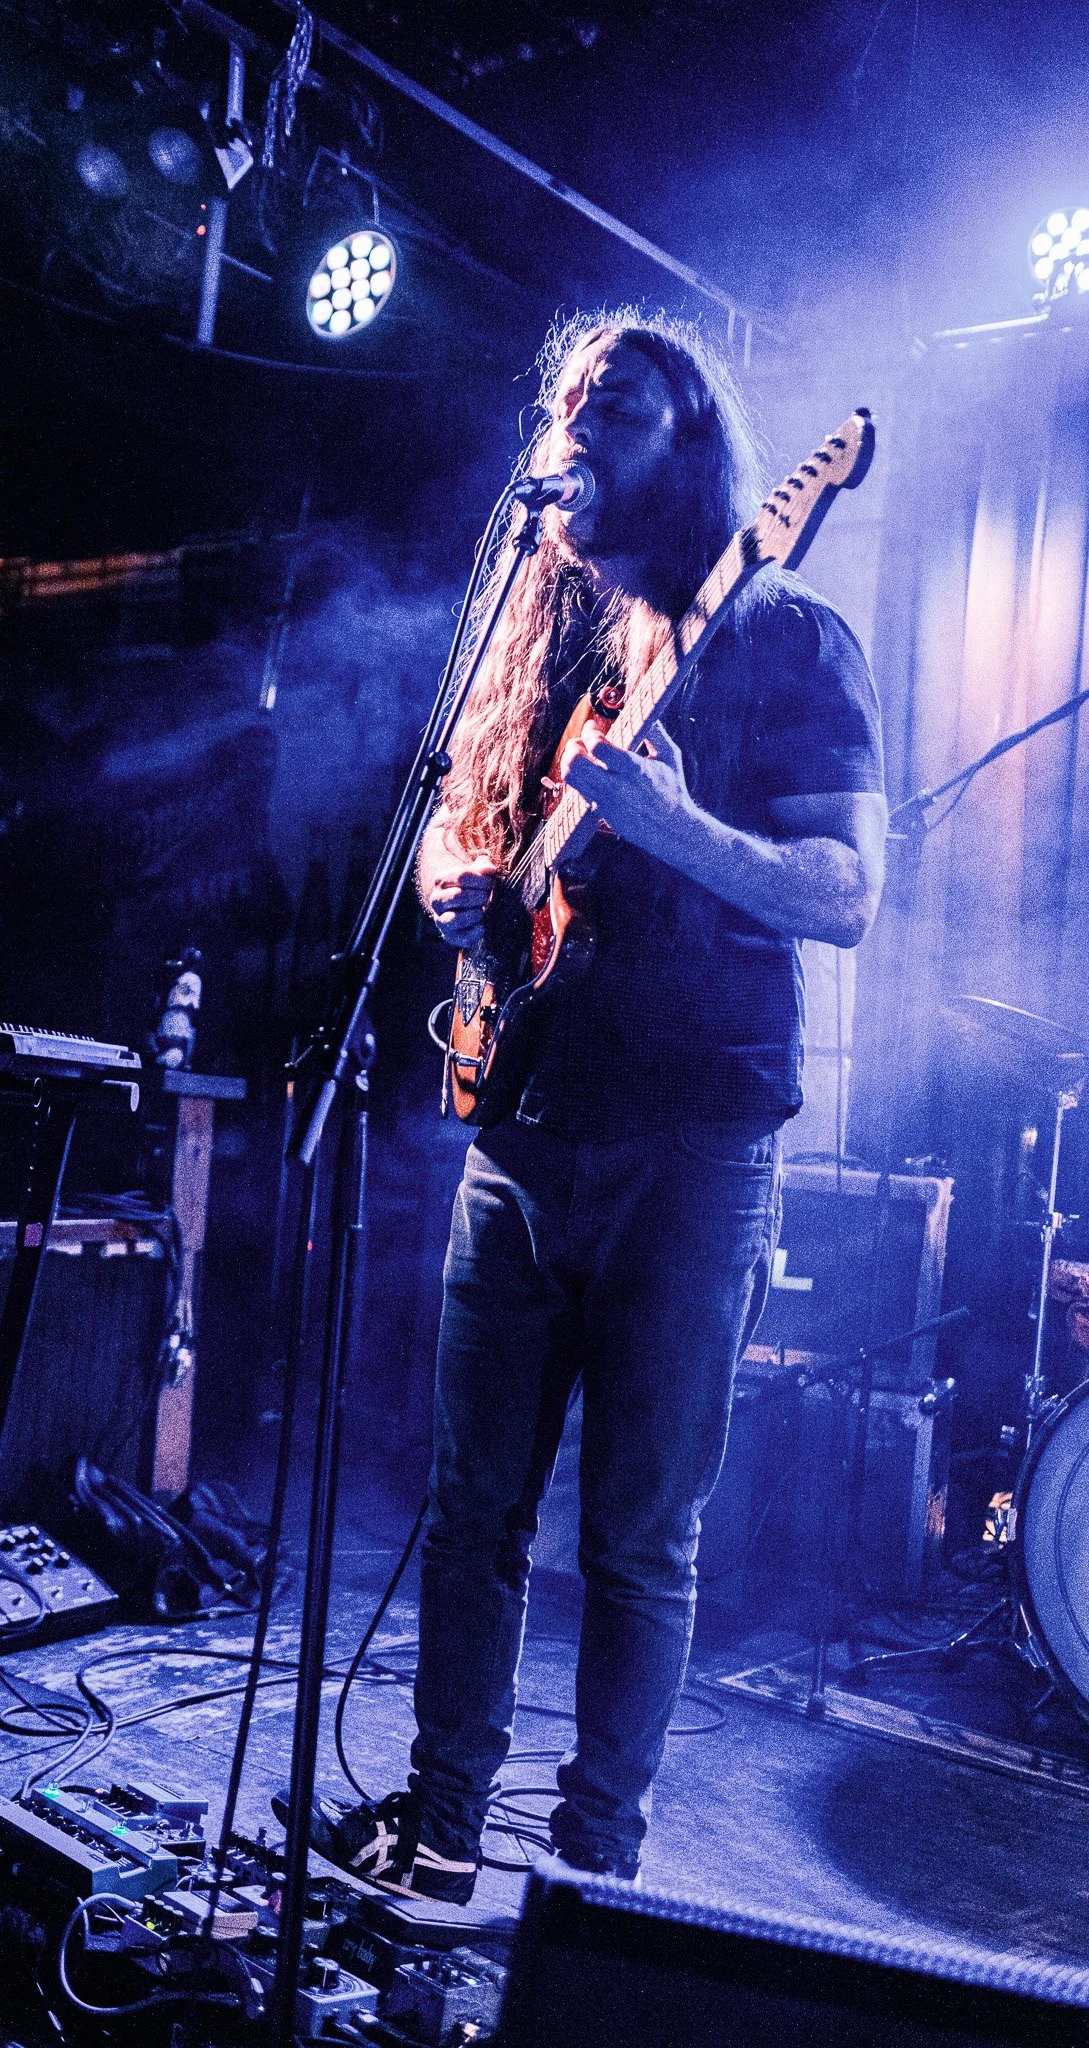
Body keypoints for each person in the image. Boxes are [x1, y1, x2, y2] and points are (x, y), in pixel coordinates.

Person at [312, 310, 887, 1901]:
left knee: (640, 1538)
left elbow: (846, 894)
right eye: (562, 401)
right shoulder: (542, 628)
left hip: (697, 1144)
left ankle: (594, 1868)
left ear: (690, 441)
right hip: (524, 1127)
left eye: (613, 407)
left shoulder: (788, 637)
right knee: (468, 1510)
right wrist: (456, 888)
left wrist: (680, 828)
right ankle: (438, 1827)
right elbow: (463, 835)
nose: (574, 430)